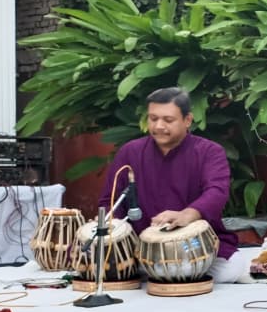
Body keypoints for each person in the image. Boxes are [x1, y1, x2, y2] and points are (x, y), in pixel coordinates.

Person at [98, 87, 246, 284]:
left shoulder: (209, 152)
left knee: (232, 268)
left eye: (168, 120)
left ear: (187, 120)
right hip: (142, 249)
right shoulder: (130, 152)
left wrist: (187, 214)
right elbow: (111, 200)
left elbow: (217, 192)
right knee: (103, 262)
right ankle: (159, 271)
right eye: (153, 118)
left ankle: (162, 272)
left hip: (192, 246)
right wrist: (113, 230)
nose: (159, 126)